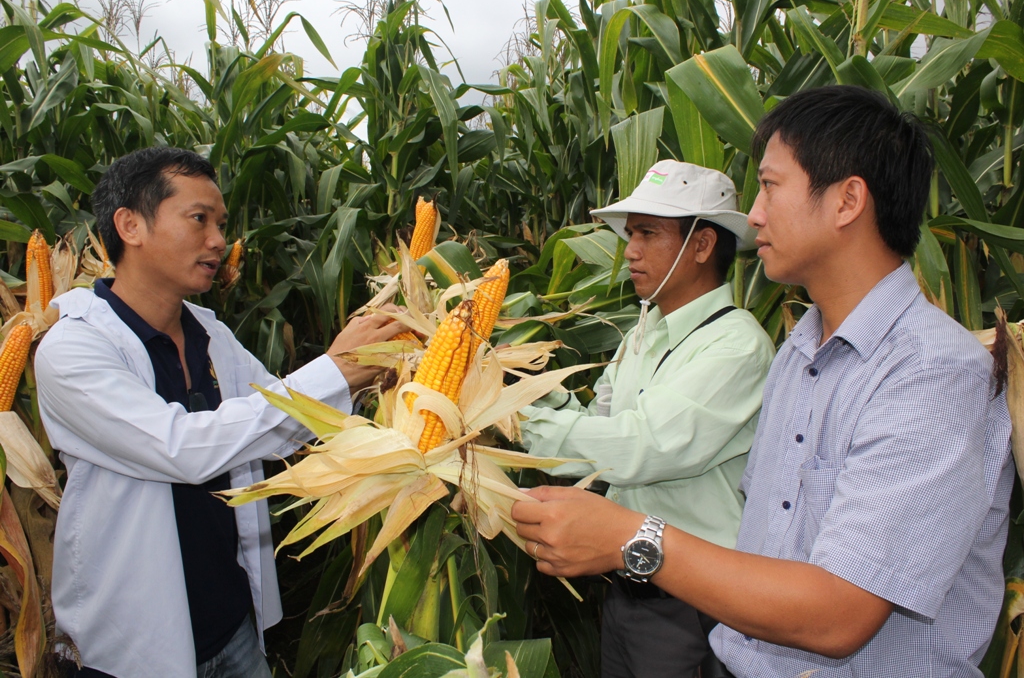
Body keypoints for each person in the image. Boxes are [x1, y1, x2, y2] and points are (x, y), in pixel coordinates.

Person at [512, 85, 1015, 677]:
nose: (753, 215)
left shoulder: (932, 372)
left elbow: (838, 615)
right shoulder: (796, 355)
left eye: (771, 186)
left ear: (848, 201)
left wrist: (631, 537)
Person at [35, 147, 407, 678]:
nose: (219, 241)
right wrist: (332, 370)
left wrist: (380, 381)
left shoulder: (212, 334)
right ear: (130, 225)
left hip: (232, 628)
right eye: (198, 220)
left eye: (221, 223)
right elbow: (183, 449)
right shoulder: (73, 349)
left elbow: (282, 421)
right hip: (134, 643)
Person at [519, 160, 775, 677]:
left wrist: (517, 424)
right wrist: (523, 393)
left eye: (647, 233)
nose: (630, 249)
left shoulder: (737, 346)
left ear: (702, 245)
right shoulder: (643, 332)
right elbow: (601, 422)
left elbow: (641, 448)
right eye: (630, 233)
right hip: (628, 583)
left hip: (692, 603)